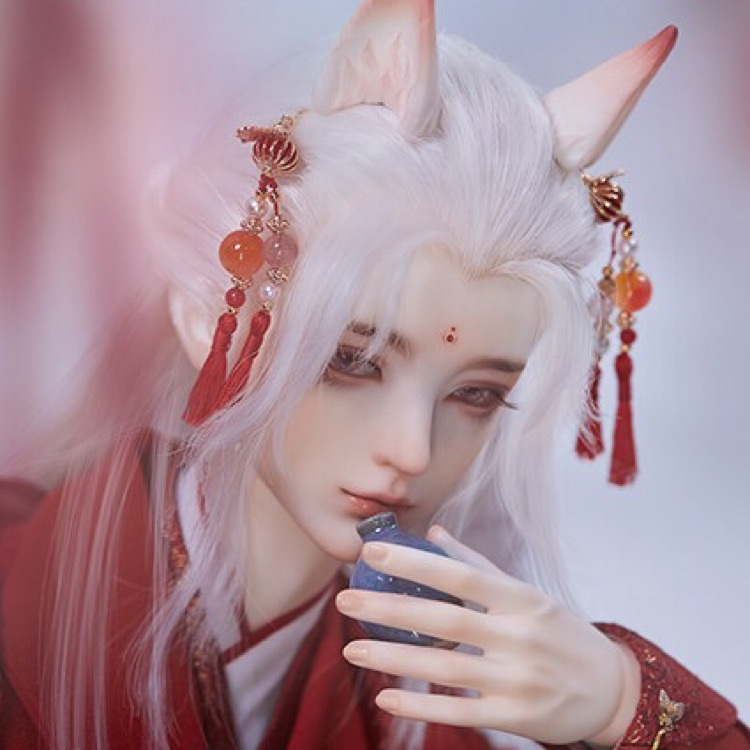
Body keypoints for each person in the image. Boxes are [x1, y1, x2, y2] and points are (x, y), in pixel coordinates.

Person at [0, 1, 747, 748]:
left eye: (476, 394)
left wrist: (624, 703)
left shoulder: (416, 700)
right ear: (206, 315)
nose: (412, 451)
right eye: (352, 362)